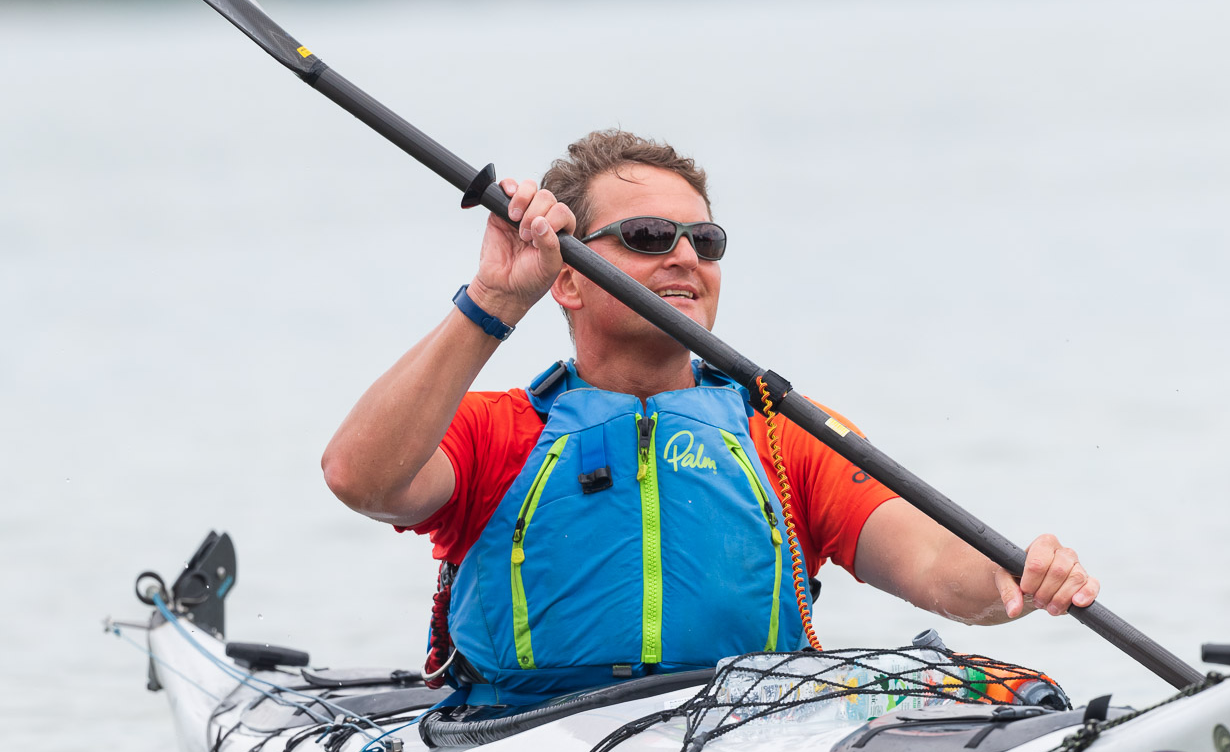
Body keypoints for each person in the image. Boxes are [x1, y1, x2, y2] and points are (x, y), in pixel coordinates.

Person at [323, 130, 1099, 703]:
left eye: (705, 239)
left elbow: (932, 564)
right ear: (569, 279)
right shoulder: (496, 433)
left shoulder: (779, 434)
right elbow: (359, 478)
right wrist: (495, 298)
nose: (687, 257)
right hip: (522, 735)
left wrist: (1014, 575)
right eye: (648, 237)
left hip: (748, 731)